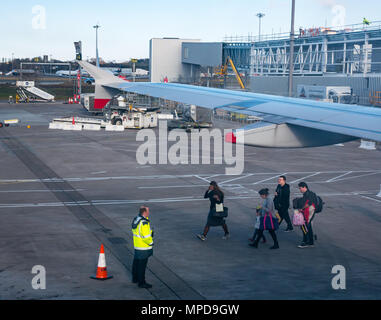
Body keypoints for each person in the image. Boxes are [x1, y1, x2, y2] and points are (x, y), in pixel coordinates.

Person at [131, 206, 154, 288]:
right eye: (148, 211)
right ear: (144, 212)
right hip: (143, 248)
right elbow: (146, 236)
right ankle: (142, 282)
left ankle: (135, 278)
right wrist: (151, 242)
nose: (149, 212)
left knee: (136, 263)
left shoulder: (136, 219)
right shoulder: (144, 222)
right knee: (142, 266)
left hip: (137, 246)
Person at [295, 182, 317, 248]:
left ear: (304, 187)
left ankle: (306, 241)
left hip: (310, 213)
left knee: (305, 227)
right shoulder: (308, 193)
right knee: (308, 227)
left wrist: (301, 209)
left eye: (300, 188)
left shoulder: (309, 194)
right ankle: (311, 242)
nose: (300, 190)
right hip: (309, 212)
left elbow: (309, 203)